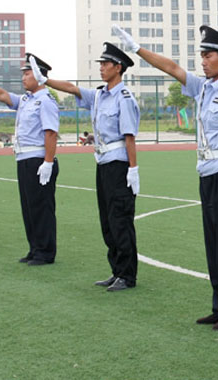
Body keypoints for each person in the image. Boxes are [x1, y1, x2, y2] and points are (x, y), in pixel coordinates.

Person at [113, 24, 218, 330]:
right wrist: (136, 49)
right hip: (207, 174)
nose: (202, 60)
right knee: (214, 245)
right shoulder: (205, 88)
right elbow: (172, 68)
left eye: (209, 55)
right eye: (201, 54)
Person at [29, 43, 140, 291]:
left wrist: (133, 168)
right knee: (107, 221)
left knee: (120, 219)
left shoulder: (124, 98)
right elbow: (72, 88)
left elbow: (130, 137)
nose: (101, 68)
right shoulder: (100, 95)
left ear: (118, 67)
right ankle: (116, 270)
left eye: (105, 64)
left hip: (119, 165)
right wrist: (45, 80)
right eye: (100, 64)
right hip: (102, 164)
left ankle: (127, 275)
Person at [0, 53, 59, 265]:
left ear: (38, 76)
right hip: (24, 158)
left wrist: (48, 162)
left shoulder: (45, 100)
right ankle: (35, 249)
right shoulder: (26, 99)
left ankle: (45, 252)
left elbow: (51, 133)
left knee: (41, 207)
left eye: (27, 74)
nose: (23, 78)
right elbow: (2, 95)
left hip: (38, 160)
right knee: (29, 207)